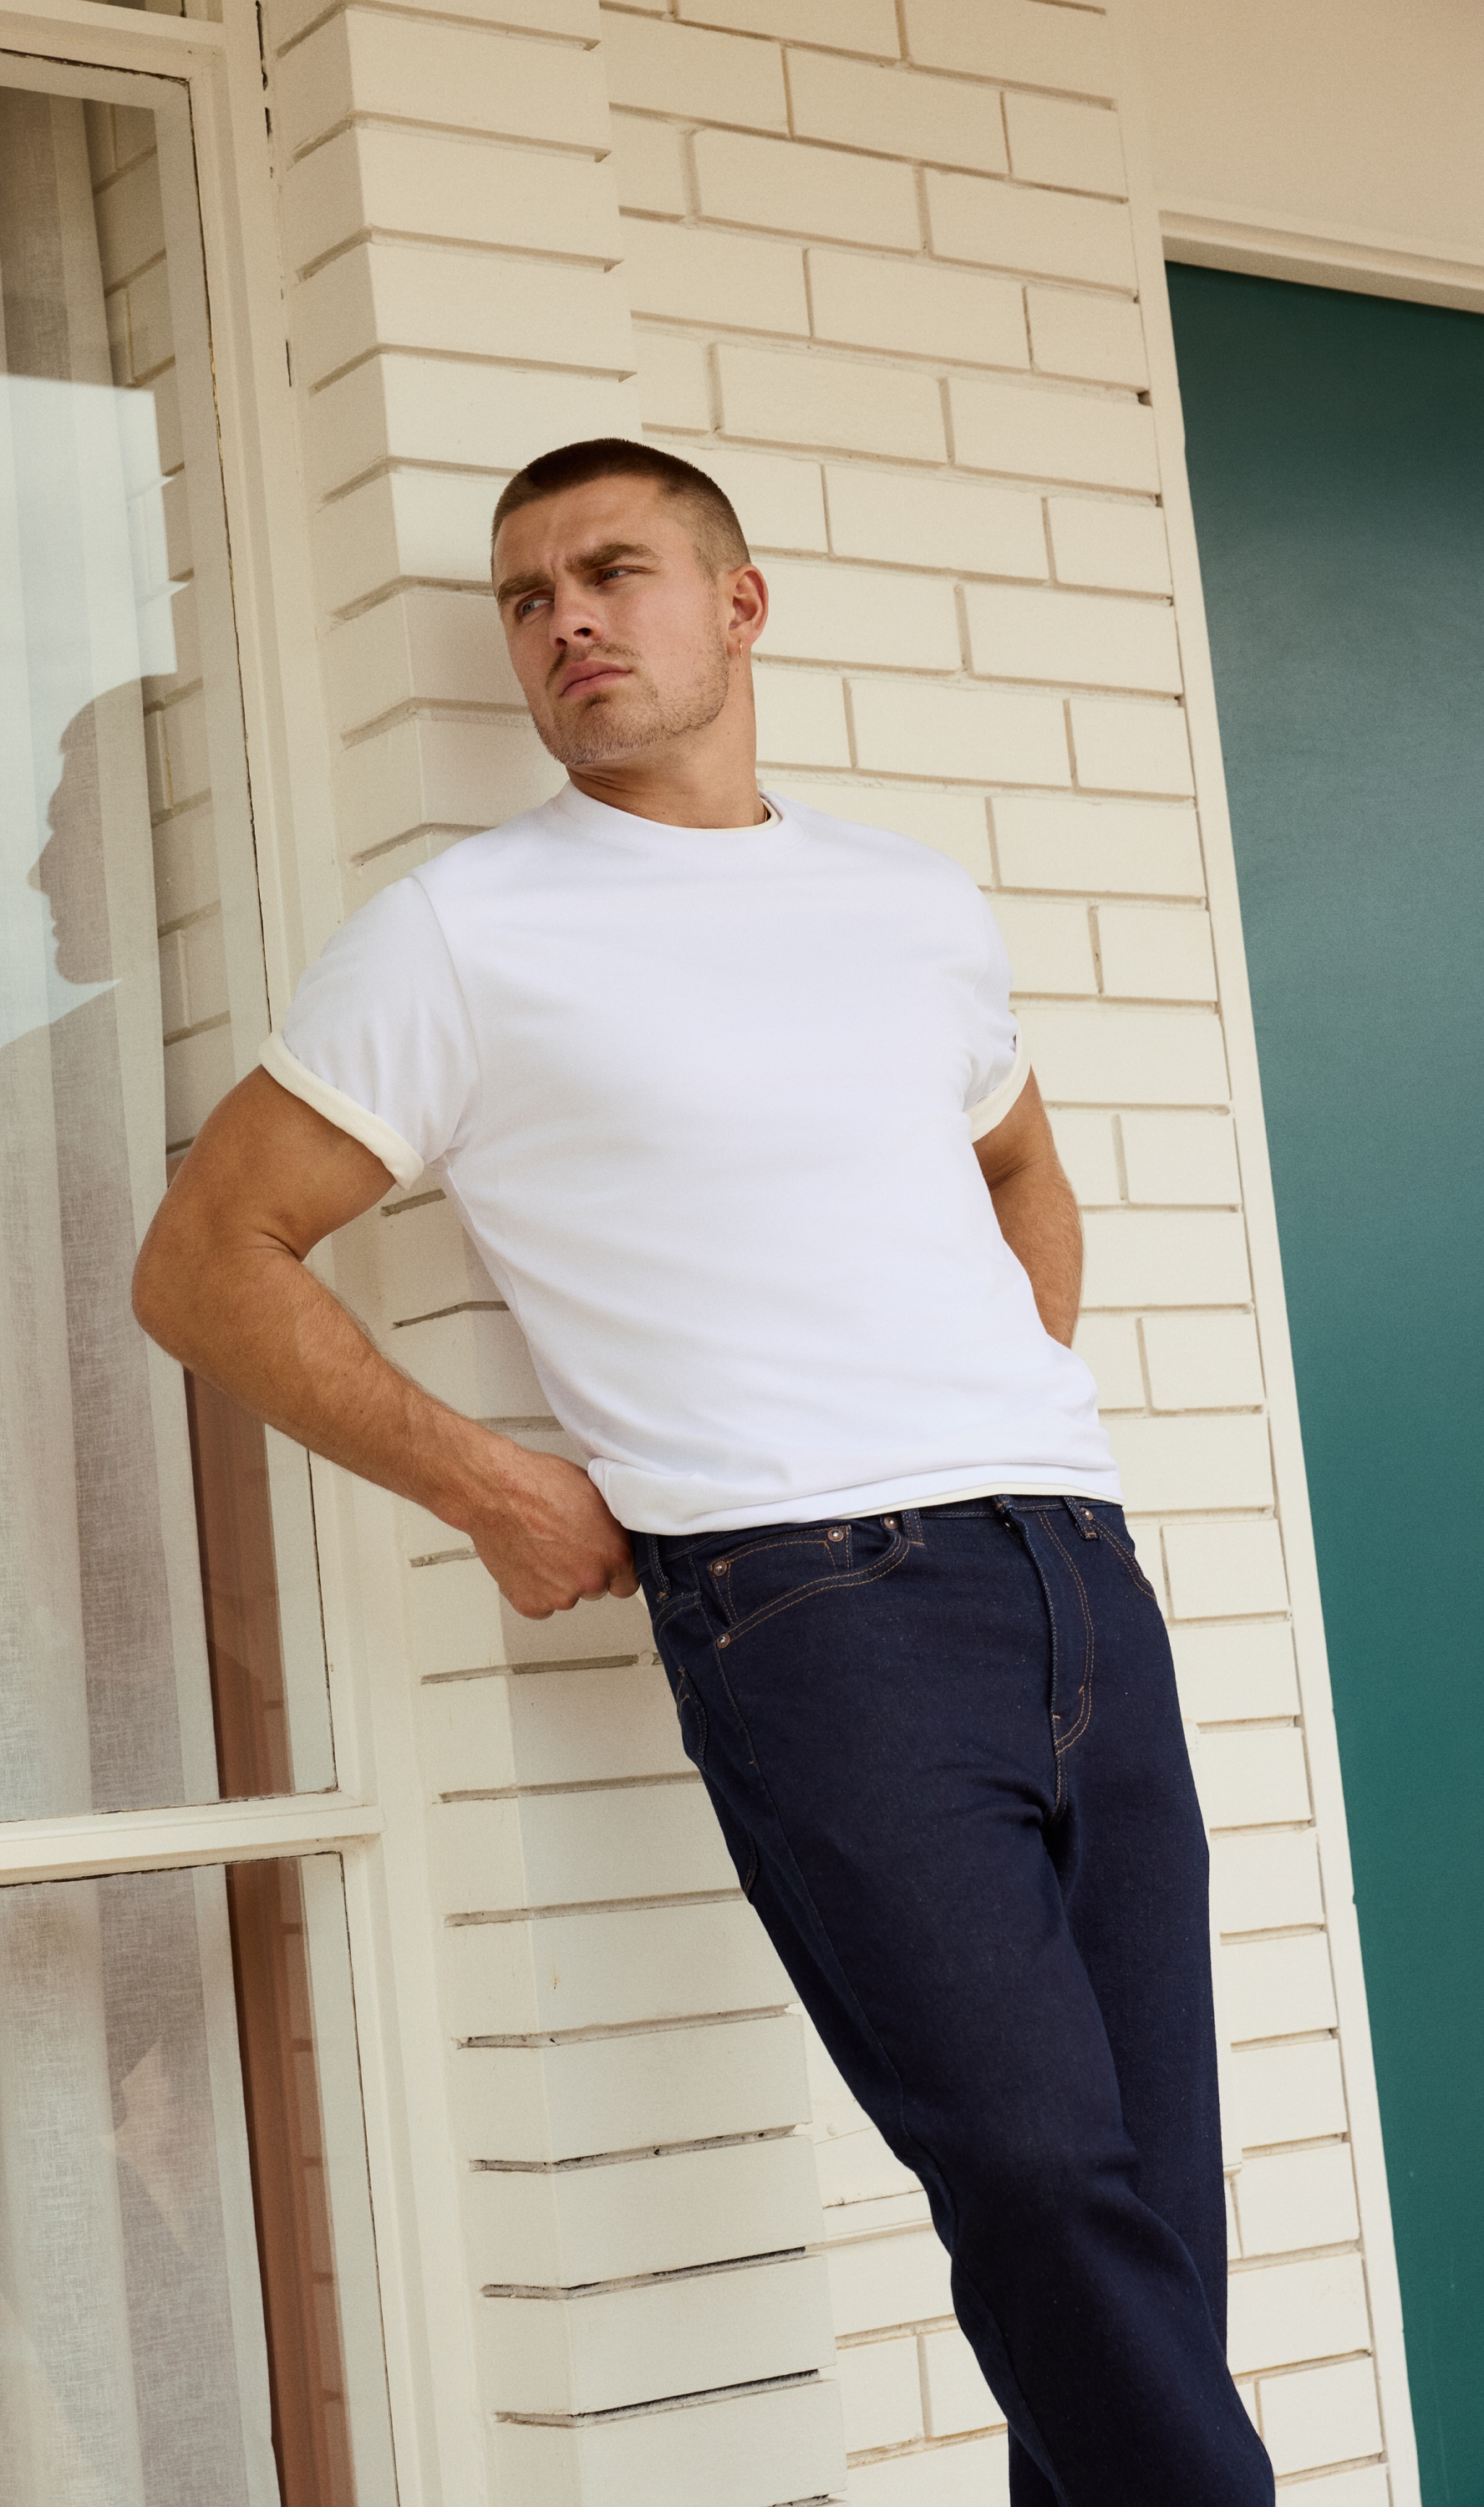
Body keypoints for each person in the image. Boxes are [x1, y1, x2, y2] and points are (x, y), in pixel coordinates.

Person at [133, 438, 1274, 2504]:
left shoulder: (909, 902)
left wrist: (1006, 1391)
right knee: (1035, 2174)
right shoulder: (462, 934)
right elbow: (206, 1263)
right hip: (814, 1608)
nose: (566, 620)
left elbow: (1019, 1160)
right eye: (525, 597)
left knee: (1151, 2203)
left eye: (612, 571)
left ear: (737, 605)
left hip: (1074, 1572)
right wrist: (491, 1486)